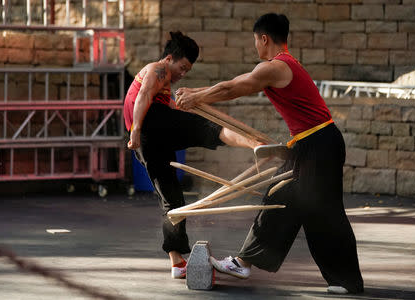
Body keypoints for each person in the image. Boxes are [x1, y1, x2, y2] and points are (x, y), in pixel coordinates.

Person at [175, 13, 364, 294]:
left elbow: (233, 88)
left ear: (264, 38)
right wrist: (196, 92)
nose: (255, 47)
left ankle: (246, 262)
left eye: (255, 41)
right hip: (313, 144)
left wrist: (197, 98)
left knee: (311, 208)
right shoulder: (282, 65)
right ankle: (339, 279)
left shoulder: (276, 67)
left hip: (318, 146)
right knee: (292, 201)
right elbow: (236, 82)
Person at [123, 31, 260, 279]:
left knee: (172, 200)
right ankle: (254, 145)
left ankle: (176, 262)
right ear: (170, 58)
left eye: (187, 71)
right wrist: (135, 130)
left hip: (149, 141)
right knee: (204, 129)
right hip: (147, 127)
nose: (182, 74)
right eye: (182, 67)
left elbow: (166, 109)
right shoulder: (158, 69)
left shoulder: (164, 87)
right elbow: (142, 97)